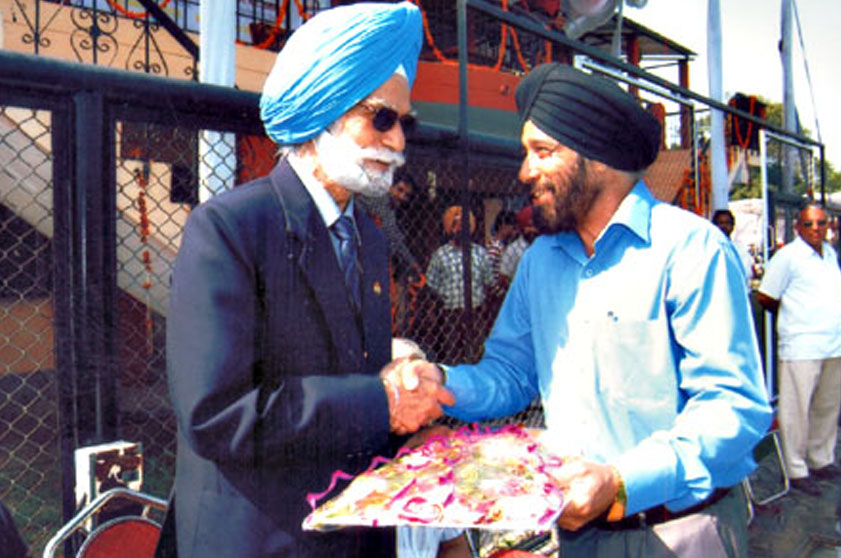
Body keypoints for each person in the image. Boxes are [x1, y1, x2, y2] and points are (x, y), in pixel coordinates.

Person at [400, 63, 772, 557]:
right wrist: (440, 384)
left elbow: (733, 405)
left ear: (597, 159)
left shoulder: (690, 250)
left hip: (681, 532)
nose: (525, 172)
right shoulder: (541, 261)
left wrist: (621, 482)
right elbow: (511, 374)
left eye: (543, 152)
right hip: (579, 535)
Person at [161, 4, 454, 557]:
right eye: (382, 119)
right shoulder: (229, 228)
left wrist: (404, 408)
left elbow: (343, 377)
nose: (398, 142)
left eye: (406, 124)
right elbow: (216, 415)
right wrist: (382, 402)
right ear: (325, 109)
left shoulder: (368, 238)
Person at [757, 203, 841, 496]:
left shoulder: (829, 253)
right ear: (797, 227)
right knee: (796, 410)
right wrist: (796, 317)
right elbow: (766, 297)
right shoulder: (787, 257)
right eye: (809, 224)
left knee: (827, 407)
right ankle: (796, 469)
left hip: (833, 344)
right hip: (802, 345)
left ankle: (821, 459)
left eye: (821, 223)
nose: (816, 229)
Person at [425, 205, 495, 362]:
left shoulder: (480, 253)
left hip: (476, 312)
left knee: (476, 354)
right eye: (455, 225)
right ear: (449, 228)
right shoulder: (440, 255)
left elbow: (489, 282)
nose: (460, 229)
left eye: (465, 225)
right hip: (451, 314)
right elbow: (431, 286)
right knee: (453, 355)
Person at [497, 205, 537, 292]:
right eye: (529, 226)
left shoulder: (543, 246)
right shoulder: (513, 249)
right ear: (522, 228)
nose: (533, 230)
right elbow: (503, 278)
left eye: (535, 226)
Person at [712, 208, 754, 285]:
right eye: (720, 223)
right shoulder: (709, 248)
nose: (724, 226)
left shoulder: (740, 249)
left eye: (727, 223)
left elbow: (746, 273)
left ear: (733, 226)